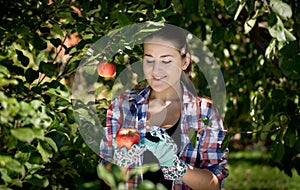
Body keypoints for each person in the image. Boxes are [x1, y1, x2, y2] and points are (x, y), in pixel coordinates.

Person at [99, 24, 229, 190]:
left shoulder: (206, 113)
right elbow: (107, 176)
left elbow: (214, 185)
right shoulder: (122, 107)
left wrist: (177, 167)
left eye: (166, 61)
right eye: (149, 60)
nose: (156, 70)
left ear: (185, 62)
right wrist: (121, 164)